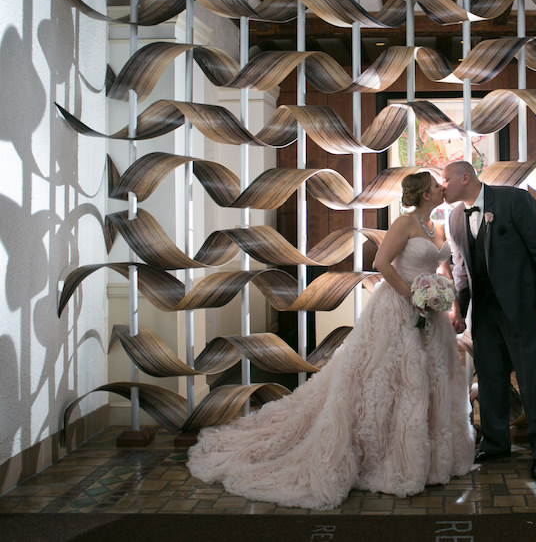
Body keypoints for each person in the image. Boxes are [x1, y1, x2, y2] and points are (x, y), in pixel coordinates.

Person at [187, 172, 475, 509]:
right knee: (388, 379)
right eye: (437, 186)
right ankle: (387, 456)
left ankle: (430, 461)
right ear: (426, 194)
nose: (443, 188)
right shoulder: (405, 223)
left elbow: (439, 268)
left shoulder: (436, 225)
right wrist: (412, 296)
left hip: (431, 316)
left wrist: (446, 301)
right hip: (398, 307)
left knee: (430, 381)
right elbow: (381, 263)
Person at [441, 160, 536, 479]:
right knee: (491, 380)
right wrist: (459, 308)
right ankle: (497, 443)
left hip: (525, 309)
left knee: (532, 382)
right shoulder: (455, 217)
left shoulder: (516, 201)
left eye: (446, 180)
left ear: (465, 178)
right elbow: (460, 268)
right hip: (485, 313)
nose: (442, 186)